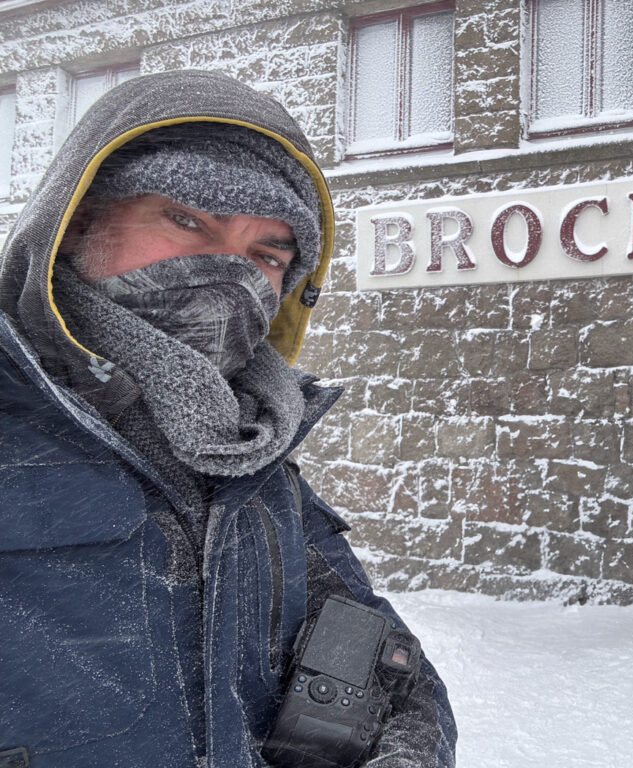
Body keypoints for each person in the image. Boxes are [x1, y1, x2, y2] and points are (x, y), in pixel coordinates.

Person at [0, 70, 457, 768]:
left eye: (267, 254)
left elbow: (389, 669)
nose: (230, 275)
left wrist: (406, 743)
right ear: (75, 221)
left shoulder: (257, 453)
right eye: (188, 220)